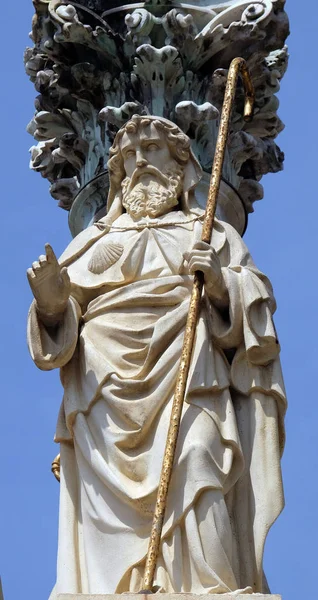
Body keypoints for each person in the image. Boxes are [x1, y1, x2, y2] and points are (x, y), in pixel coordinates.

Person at [27, 115, 286, 597]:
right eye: (129, 154)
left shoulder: (211, 233)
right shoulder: (93, 241)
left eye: (152, 149)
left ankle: (210, 584)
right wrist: (51, 302)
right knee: (106, 505)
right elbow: (58, 335)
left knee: (199, 457)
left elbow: (258, 315)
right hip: (103, 388)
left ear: (182, 163)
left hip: (191, 375)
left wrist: (221, 283)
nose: (140, 160)